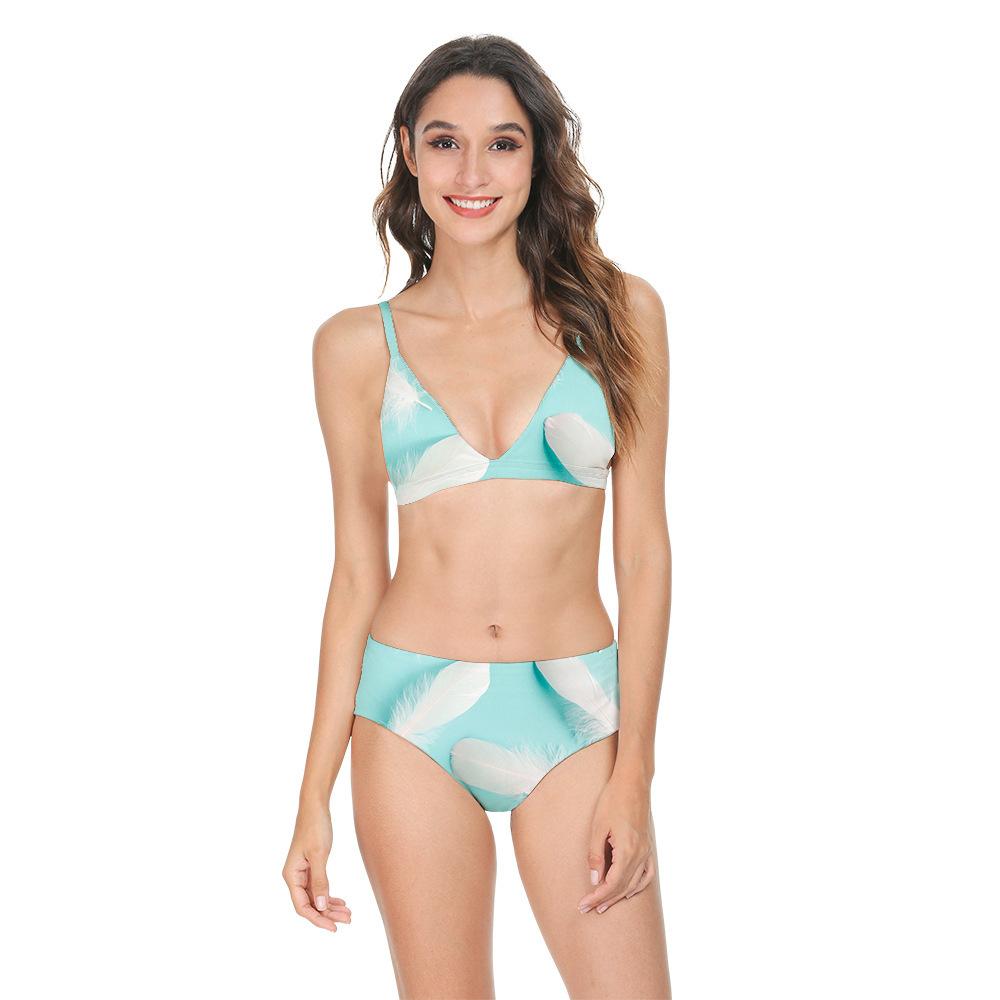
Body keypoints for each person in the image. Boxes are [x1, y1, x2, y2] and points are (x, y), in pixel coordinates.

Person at [283, 34, 672, 999]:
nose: (471, 173)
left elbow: (644, 553)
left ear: (538, 157)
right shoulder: (355, 346)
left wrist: (635, 770)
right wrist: (312, 794)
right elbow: (356, 575)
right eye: (445, 141)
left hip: (574, 712)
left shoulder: (620, 316)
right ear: (408, 152)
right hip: (408, 715)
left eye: (502, 143)